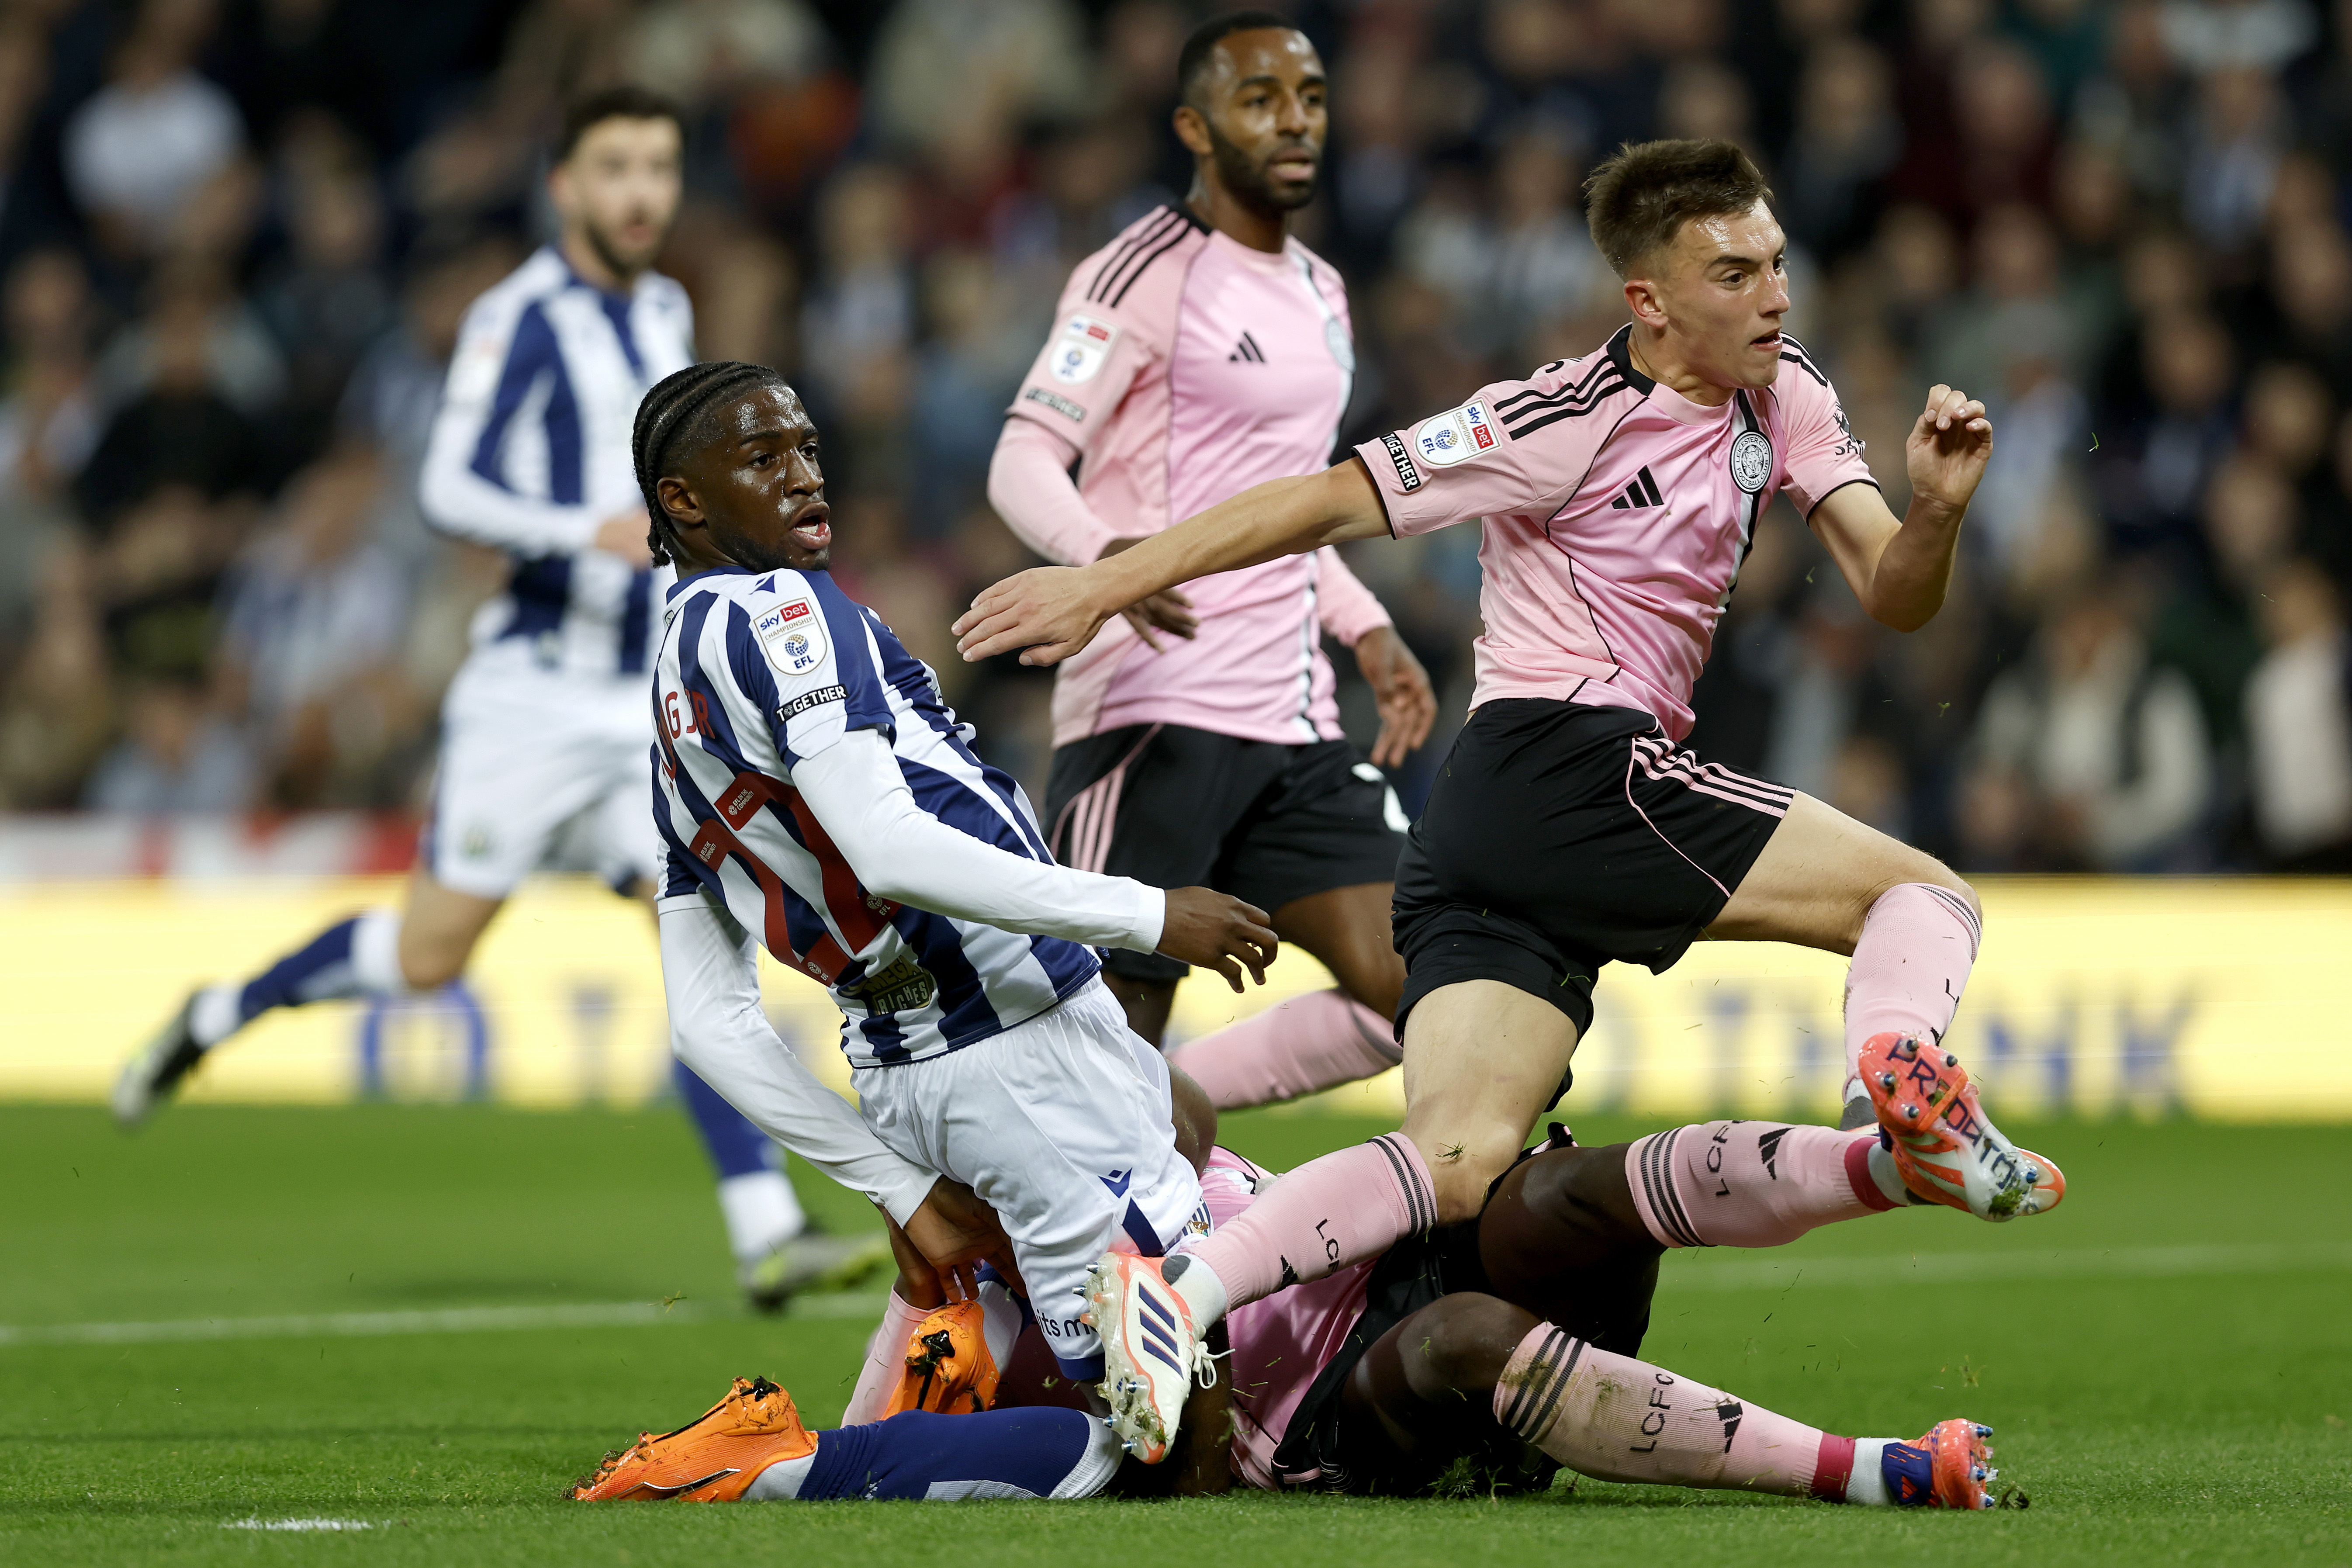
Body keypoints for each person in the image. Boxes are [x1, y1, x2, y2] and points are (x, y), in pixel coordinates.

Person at [953, 138, 2067, 1457]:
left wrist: (1934, 513)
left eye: (1776, 263)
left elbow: (1895, 594)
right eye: (1734, 271)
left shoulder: (1789, 396)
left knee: (1461, 1153)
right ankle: (1898, 1079)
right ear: (1648, 298)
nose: (1773, 293)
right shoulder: (1553, 419)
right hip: (1575, 763)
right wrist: (1106, 577)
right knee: (1920, 892)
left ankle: (1174, 1291)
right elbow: (1318, 500)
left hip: (1483, 824)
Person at [109, 88, 871, 1312]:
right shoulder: (515, 318)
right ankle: (219, 1008)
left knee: (698, 944)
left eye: (660, 168)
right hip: (528, 695)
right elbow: (449, 486)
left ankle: (766, 1227)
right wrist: (588, 528)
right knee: (426, 956)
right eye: (615, 167)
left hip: (638, 701)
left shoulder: (669, 307)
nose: (641, 193)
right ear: (565, 186)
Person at [630, 359, 1279, 1436]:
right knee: (1160, 1431)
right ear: (683, 502)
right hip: (1011, 1055)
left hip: (924, 1063)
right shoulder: (783, 611)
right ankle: (777, 1467)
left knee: (1187, 1119)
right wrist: (1152, 915)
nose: (803, 477)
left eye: (806, 449)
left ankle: (890, 1414)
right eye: (762, 458)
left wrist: (897, 1186)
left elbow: (705, 1024)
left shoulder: (669, 702)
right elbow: (887, 849)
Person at [572, 1033, 2028, 1509]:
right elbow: (888, 1431)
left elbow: (1342, 1029)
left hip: (1389, 1251)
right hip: (1324, 1417)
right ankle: (1880, 1470)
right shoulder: (956, 1295)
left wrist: (1436, 1003)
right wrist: (776, 1463)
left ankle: (1892, 1164)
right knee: (1463, 1330)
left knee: (1553, 1196)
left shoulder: (1132, 1114)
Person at [986, 11, 1437, 1112]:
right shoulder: (1136, 271)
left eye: (1312, 98)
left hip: (1293, 719)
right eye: (1260, 99)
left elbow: (1286, 501)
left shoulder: (1324, 293)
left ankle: (1171, 1097)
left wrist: (1363, 625)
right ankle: (998, 1264)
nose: (1294, 122)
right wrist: (1108, 562)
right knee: (1103, 1028)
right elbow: (1022, 454)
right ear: (1194, 126)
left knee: (1422, 992)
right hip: (1154, 716)